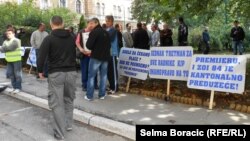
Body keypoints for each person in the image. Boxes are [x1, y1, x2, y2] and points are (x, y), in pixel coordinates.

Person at [37, 16, 77, 140]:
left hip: (56, 74)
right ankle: (68, 124)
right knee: (69, 99)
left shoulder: (49, 39)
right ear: (63, 24)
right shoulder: (72, 37)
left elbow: (41, 57)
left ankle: (60, 134)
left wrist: (40, 71)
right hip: (71, 72)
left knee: (57, 104)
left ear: (51, 24)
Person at [85, 17, 111, 100]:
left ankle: (89, 96)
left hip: (96, 57)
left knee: (91, 76)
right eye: (89, 23)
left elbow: (88, 45)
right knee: (103, 76)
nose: (90, 25)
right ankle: (102, 95)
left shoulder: (94, 32)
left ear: (96, 23)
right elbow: (109, 45)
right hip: (105, 57)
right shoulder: (106, 32)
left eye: (91, 23)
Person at [75, 21, 98, 91]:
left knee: (94, 70)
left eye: (92, 24)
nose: (91, 25)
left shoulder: (94, 32)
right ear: (87, 24)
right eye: (90, 24)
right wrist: (81, 49)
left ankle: (94, 84)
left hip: (93, 55)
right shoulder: (81, 32)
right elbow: (77, 42)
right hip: (84, 55)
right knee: (84, 70)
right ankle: (84, 85)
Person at [0, 28, 22, 93]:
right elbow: (2, 50)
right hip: (9, 60)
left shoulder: (17, 40)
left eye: (9, 33)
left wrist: (4, 47)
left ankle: (18, 88)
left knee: (17, 75)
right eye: (7, 34)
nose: (8, 35)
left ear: (14, 34)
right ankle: (14, 87)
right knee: (11, 75)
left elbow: (10, 48)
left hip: (16, 60)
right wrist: (4, 48)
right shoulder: (5, 41)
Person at [105, 15, 119, 94]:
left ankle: (115, 87)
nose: (107, 23)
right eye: (106, 21)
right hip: (108, 53)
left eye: (108, 21)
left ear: (112, 22)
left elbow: (109, 39)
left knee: (113, 71)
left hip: (112, 53)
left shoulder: (113, 30)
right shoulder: (107, 29)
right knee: (109, 71)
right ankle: (111, 86)